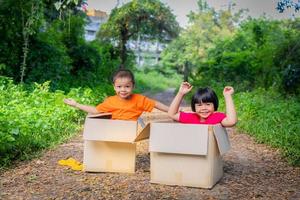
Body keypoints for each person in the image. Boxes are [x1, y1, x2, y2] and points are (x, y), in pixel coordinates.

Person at [64, 69, 169, 121]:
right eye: (119, 87)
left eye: (127, 87)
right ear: (114, 87)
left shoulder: (138, 99)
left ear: (133, 86)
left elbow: (155, 104)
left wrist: (171, 111)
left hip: (129, 131)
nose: (123, 90)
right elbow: (95, 110)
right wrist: (76, 104)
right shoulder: (110, 101)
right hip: (114, 130)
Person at [168, 82, 237, 127]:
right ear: (194, 107)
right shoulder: (191, 118)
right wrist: (181, 93)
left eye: (208, 104)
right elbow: (172, 114)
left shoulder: (217, 117)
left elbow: (231, 122)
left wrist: (227, 96)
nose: (204, 108)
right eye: (199, 105)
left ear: (214, 105)